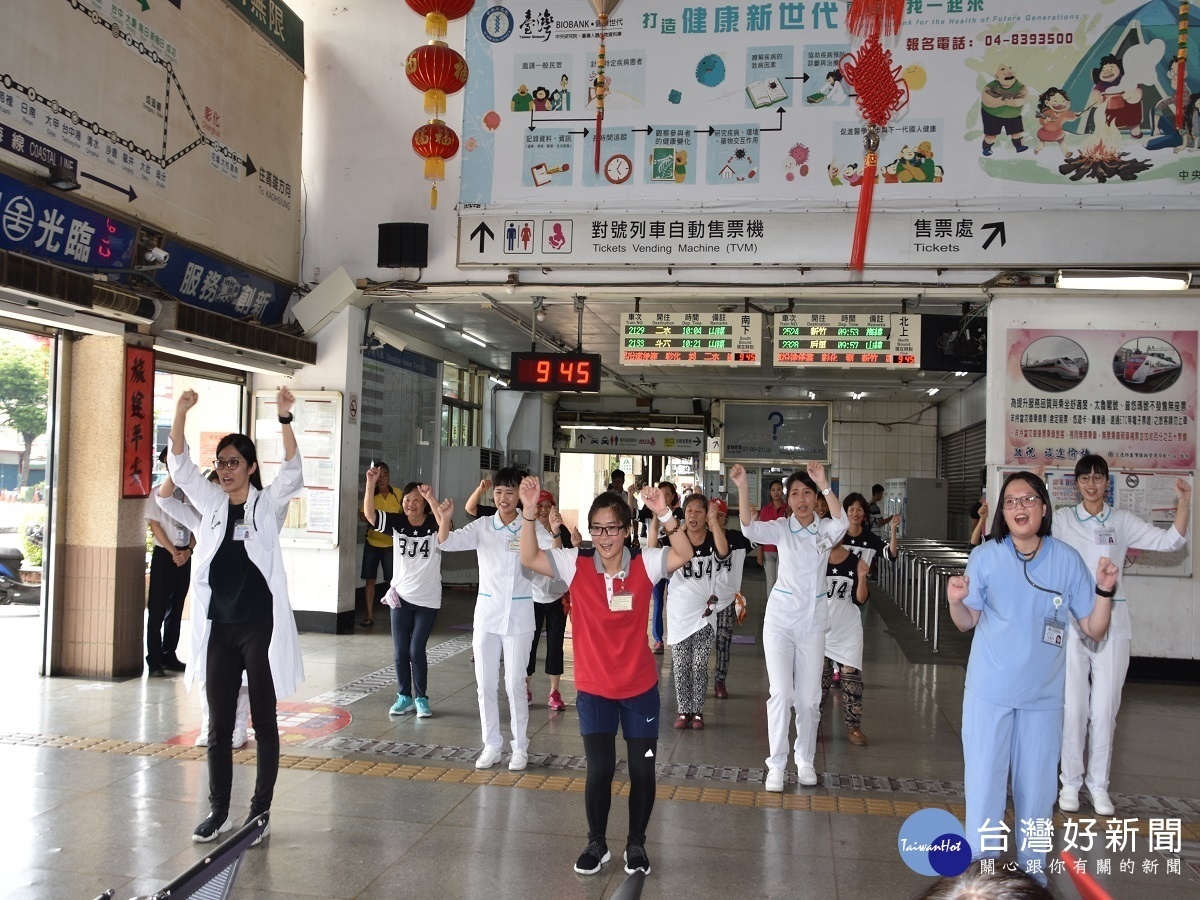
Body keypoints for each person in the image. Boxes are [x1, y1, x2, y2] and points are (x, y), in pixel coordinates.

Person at [518, 476, 694, 878]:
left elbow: (683, 552)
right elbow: (529, 558)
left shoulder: (647, 564)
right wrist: (529, 512)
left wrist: (664, 513)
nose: (603, 536)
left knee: (642, 768)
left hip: (640, 692)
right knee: (599, 769)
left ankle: (636, 844)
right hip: (595, 691)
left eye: (612, 527)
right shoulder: (574, 564)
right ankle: (596, 843)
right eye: (596, 528)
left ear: (627, 529)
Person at [946, 470, 1117, 881]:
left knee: (1037, 798)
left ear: (1043, 507)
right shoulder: (987, 556)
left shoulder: (1066, 560)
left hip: (1042, 702)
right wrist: (955, 601)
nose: (1019, 507)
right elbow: (966, 622)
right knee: (984, 791)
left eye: (1027, 499)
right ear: (1003, 513)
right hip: (989, 695)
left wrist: (1106, 592)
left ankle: (1033, 881)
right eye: (1010, 502)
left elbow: (1093, 629)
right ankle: (981, 880)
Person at [167, 387, 304, 845]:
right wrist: (180, 412)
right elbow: (180, 467)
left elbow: (294, 472)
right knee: (218, 725)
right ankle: (219, 811)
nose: (225, 470)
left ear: (249, 467)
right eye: (221, 463)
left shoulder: (267, 505)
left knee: (264, 722)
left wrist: (284, 419)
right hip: (218, 630)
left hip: (258, 629)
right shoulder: (208, 503)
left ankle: (258, 813)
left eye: (233, 463)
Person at [1053, 455, 1190, 817]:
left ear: (1107, 483)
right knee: (1073, 709)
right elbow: (1030, 532)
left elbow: (1172, 542)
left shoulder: (1122, 521)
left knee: (1104, 711)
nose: (1092, 484)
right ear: (1077, 483)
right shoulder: (1065, 520)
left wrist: (1184, 502)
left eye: (1098, 478)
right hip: (1072, 622)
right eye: (1086, 478)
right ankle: (1069, 784)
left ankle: (1099, 787)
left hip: (1114, 622)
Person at [730, 461, 847, 792]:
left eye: (806, 493)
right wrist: (742, 486)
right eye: (794, 493)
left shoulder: (824, 529)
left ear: (815, 498)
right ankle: (776, 764)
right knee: (781, 693)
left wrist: (824, 482)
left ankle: (805, 759)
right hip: (780, 622)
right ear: (789, 499)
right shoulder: (781, 527)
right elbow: (750, 528)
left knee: (809, 699)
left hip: (812, 623)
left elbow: (842, 523)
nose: (800, 499)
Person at [430, 467, 554, 772]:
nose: (503, 498)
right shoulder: (484, 526)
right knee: (485, 685)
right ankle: (492, 745)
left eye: (510, 492)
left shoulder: (531, 528)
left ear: (520, 495)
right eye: (498, 492)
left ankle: (520, 747)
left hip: (520, 615)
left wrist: (552, 528)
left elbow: (554, 556)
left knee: (514, 685)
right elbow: (446, 543)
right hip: (486, 616)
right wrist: (444, 520)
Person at [158, 469, 251, 749]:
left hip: (239, 605)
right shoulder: (200, 523)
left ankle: (238, 726)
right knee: (205, 664)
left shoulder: (247, 517)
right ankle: (209, 723)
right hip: (207, 609)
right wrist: (178, 468)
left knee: (241, 669)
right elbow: (163, 500)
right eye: (209, 490)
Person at [363, 471, 444, 719]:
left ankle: (421, 698)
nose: (410, 504)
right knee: (400, 652)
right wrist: (370, 485)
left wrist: (432, 499)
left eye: (416, 500)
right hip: (401, 599)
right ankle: (404, 697)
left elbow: (446, 526)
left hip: (428, 600)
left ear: (424, 504)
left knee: (416, 650)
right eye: (407, 500)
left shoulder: (433, 525)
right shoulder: (398, 523)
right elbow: (370, 515)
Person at [649, 493, 727, 729]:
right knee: (681, 664)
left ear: (706, 516)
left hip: (704, 614)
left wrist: (715, 524)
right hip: (679, 612)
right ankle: (684, 711)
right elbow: (652, 549)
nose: (693, 516)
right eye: (689, 511)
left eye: (699, 511)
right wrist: (655, 518)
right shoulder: (675, 539)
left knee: (700, 664)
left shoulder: (714, 539)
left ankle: (698, 712)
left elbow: (723, 552)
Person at [525, 489, 580, 711]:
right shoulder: (528, 530)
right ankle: (525, 688)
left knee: (556, 645)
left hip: (557, 597)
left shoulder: (562, 531)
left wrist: (575, 546)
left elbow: (566, 561)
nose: (544, 510)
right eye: (540, 505)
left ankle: (554, 692)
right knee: (529, 644)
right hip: (533, 596)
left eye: (549, 506)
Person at [145, 445, 196, 676]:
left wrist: (188, 551)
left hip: (185, 555)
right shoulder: (157, 492)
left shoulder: (191, 493)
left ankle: (169, 654)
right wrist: (173, 551)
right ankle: (154, 660)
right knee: (157, 609)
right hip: (165, 555)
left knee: (176, 609)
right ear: (165, 462)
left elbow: (199, 524)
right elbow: (154, 524)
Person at [819, 538, 871, 745]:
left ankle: (853, 726)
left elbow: (861, 599)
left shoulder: (854, 561)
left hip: (847, 631)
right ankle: (813, 724)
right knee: (818, 682)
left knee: (851, 680)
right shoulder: (816, 559)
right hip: (820, 630)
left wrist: (861, 576)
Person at [711, 498, 752, 700]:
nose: (716, 518)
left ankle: (720, 681)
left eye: (720, 515)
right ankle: (698, 680)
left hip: (726, 601)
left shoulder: (737, 539)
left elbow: (755, 537)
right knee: (699, 646)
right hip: (701, 603)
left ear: (725, 519)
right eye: (712, 513)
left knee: (723, 643)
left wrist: (754, 520)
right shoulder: (698, 538)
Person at [360, 461, 400, 627]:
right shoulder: (371, 494)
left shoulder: (398, 493)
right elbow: (362, 515)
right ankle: (369, 614)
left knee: (393, 581)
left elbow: (405, 514)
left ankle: (395, 615)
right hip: (373, 542)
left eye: (385, 475)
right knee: (370, 580)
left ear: (389, 477)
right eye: (379, 475)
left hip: (391, 545)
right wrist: (375, 519)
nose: (382, 479)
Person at [648, 480, 682, 652]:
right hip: (658, 563)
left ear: (673, 496)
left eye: (667, 494)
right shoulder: (654, 516)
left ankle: (676, 636)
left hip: (675, 564)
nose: (665, 497)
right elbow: (651, 544)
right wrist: (656, 514)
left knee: (674, 600)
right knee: (658, 601)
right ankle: (658, 639)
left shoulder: (680, 515)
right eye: (661, 494)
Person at [756, 478, 788, 600]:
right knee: (771, 581)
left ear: (783, 491)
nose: (776, 492)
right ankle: (770, 608)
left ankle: (780, 606)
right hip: (768, 550)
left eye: (779, 489)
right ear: (770, 492)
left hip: (783, 550)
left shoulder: (788, 509)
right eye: (773, 490)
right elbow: (761, 532)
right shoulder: (765, 510)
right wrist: (759, 554)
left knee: (781, 581)